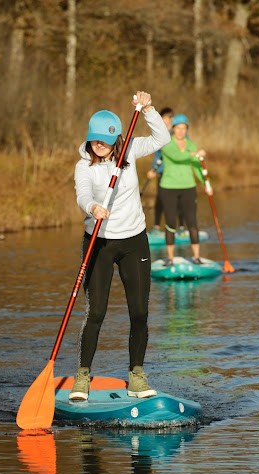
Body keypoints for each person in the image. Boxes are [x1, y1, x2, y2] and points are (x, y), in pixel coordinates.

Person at [69, 91, 171, 401]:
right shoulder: (84, 166)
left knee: (139, 313)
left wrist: (149, 110)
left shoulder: (129, 152)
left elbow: (162, 138)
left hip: (134, 241)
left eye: (105, 141)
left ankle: (137, 376)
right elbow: (82, 194)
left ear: (115, 141)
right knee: (96, 312)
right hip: (99, 243)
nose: (99, 145)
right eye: (94, 140)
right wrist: (92, 208)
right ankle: (83, 377)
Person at [159, 113, 212, 266]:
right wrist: (196, 155)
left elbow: (196, 167)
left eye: (184, 128)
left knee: (192, 222)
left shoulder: (190, 145)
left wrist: (206, 184)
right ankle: (170, 259)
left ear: (186, 129)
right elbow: (178, 157)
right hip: (169, 188)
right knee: (170, 223)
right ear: (173, 128)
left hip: (188, 187)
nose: (181, 131)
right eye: (178, 128)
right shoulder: (167, 144)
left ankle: (196, 257)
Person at [145, 107, 183, 231]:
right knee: (160, 199)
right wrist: (153, 170)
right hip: (162, 172)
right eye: (165, 118)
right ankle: (156, 227)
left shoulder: (177, 131)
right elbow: (157, 155)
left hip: (175, 172)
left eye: (169, 118)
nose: (167, 120)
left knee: (179, 200)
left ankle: (181, 227)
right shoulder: (158, 132)